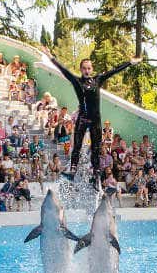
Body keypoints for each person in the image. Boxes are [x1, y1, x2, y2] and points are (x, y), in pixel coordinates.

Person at [44, 49, 143, 180]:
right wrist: (51, 58)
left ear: (92, 69)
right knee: (77, 145)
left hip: (95, 119)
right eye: (84, 68)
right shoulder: (77, 81)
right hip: (83, 118)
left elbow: (114, 70)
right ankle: (73, 170)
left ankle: (96, 174)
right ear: (81, 69)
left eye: (89, 68)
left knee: (96, 148)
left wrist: (130, 62)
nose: (87, 70)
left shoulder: (98, 79)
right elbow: (65, 71)